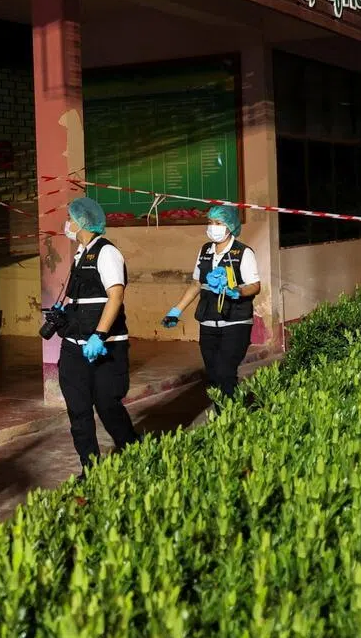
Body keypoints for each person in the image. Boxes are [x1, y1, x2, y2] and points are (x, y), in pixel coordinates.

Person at [49, 196, 140, 471]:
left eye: (70, 218)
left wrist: (99, 335)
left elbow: (115, 296)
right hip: (74, 345)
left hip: (105, 345)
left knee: (107, 405)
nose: (67, 223)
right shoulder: (80, 254)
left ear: (83, 221)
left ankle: (135, 454)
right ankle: (89, 468)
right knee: (78, 410)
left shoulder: (107, 252)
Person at [161, 205, 262, 407]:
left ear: (230, 226)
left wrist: (238, 291)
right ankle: (222, 415)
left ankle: (232, 416)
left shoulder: (243, 252)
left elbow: (255, 286)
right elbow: (196, 284)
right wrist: (175, 311)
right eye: (210, 222)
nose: (212, 227)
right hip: (208, 321)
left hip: (235, 322)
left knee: (225, 372)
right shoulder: (205, 250)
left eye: (218, 223)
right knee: (214, 375)